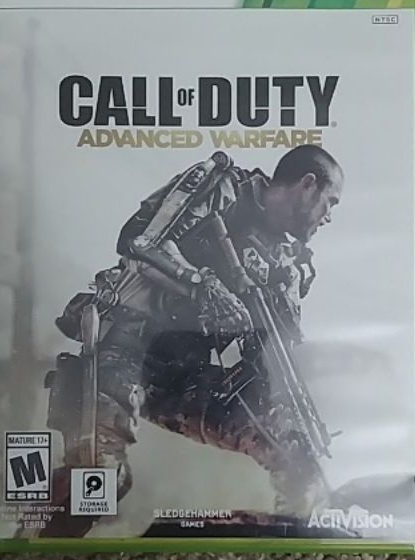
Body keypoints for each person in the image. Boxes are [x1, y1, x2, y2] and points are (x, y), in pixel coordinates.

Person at [42, 144, 343, 537]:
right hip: (125, 351)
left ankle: (285, 542)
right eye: (331, 202)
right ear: (308, 184)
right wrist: (201, 285)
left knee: (301, 466)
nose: (329, 216)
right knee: (99, 481)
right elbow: (140, 242)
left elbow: (273, 351)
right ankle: (35, 544)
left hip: (188, 378)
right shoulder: (223, 188)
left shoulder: (288, 263)